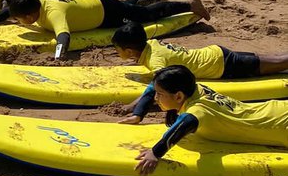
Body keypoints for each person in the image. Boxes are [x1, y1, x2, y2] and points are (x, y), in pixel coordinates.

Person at [111, 21, 288, 123]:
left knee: (278, 62)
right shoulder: (152, 45)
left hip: (222, 65)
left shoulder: (155, 59)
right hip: (216, 54)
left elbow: (157, 84)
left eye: (117, 49)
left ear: (129, 51)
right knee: (271, 59)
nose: (116, 52)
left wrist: (135, 108)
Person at [134, 65, 288, 175]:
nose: (156, 98)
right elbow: (157, 83)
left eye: (160, 94)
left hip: (282, 125)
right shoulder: (196, 88)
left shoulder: (198, 110)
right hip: (276, 109)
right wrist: (139, 112)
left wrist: (155, 153)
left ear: (179, 96)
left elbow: (186, 122)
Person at [7, 0, 209, 60]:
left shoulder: (53, 13)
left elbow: (63, 36)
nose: (22, 22)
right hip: (93, 0)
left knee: (143, 15)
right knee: (128, 7)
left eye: (23, 18)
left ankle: (189, 5)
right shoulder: (37, 0)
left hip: (106, 12)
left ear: (32, 12)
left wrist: (58, 57)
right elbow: (8, 11)